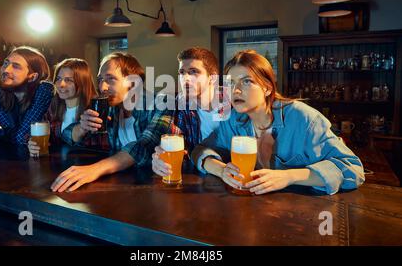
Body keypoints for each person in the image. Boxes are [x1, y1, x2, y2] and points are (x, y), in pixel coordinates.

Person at [191, 50, 365, 195]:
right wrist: (221, 170)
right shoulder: (232, 119)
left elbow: (353, 169)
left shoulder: (303, 118)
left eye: (246, 81)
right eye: (230, 83)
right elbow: (201, 151)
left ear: (267, 88)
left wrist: (289, 176)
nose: (235, 90)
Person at [51, 52, 173, 192]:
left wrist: (95, 170)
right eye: (100, 80)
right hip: (122, 186)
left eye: (110, 79)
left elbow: (142, 146)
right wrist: (82, 128)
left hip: (162, 185)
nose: (102, 87)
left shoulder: (161, 102)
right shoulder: (107, 107)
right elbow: (66, 135)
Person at [151, 47, 230, 178]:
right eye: (182, 72)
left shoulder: (233, 103)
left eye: (193, 72)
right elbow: (175, 139)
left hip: (235, 177)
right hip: (199, 180)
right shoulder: (180, 104)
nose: (185, 78)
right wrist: (160, 157)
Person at [27, 58, 103, 156]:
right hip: (56, 167)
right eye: (58, 79)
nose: (61, 84)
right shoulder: (53, 107)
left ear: (82, 82)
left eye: (68, 80)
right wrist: (31, 144)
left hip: (86, 166)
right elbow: (33, 134)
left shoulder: (93, 111)